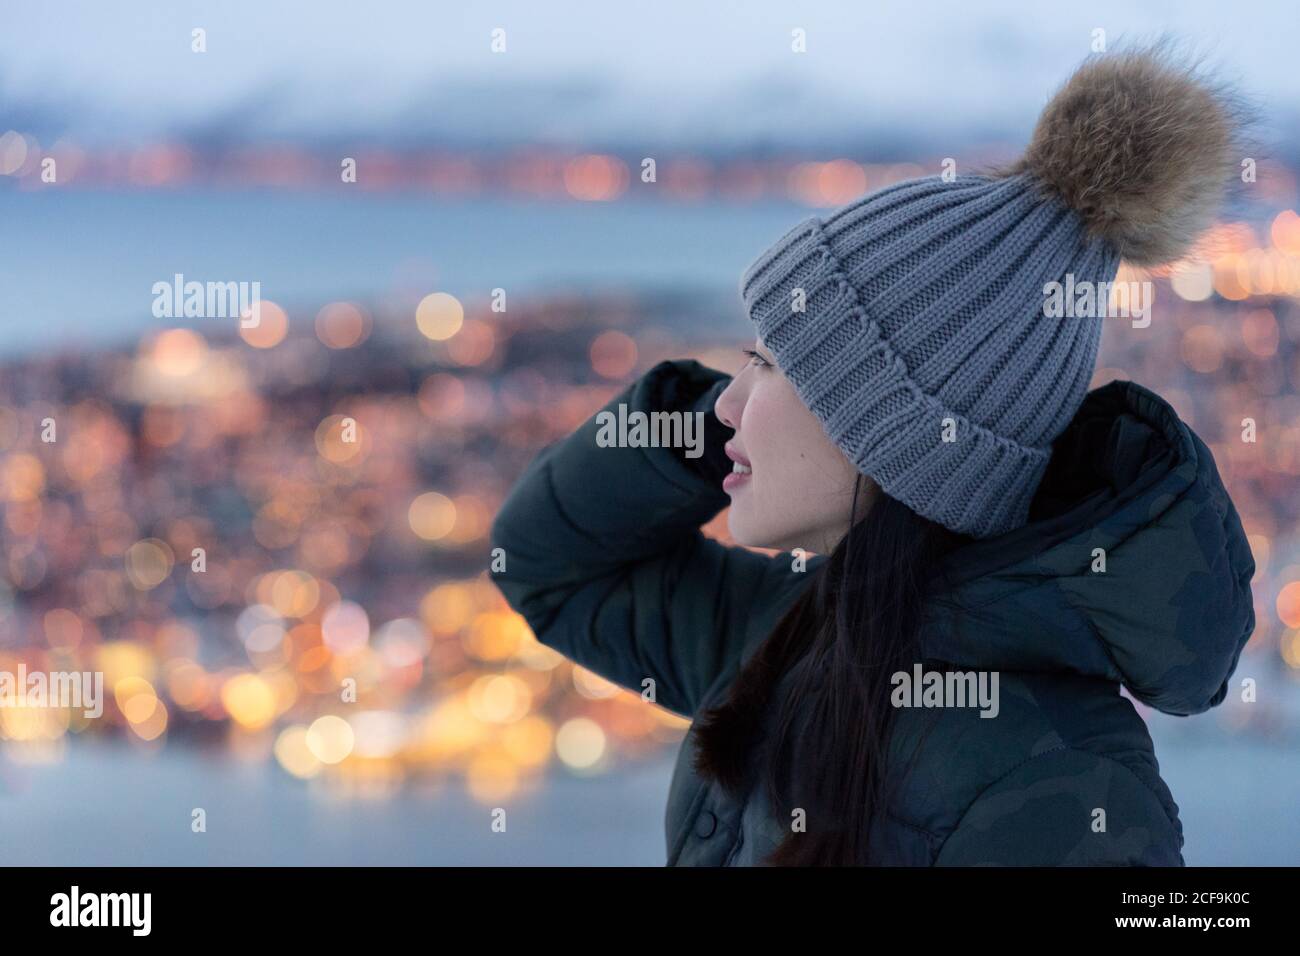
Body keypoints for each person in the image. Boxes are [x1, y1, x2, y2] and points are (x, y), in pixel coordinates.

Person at [489, 41, 1257, 865]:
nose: (726, 402)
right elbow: (549, 566)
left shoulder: (1066, 788)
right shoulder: (793, 631)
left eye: (772, 365)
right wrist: (710, 436)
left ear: (896, 438)